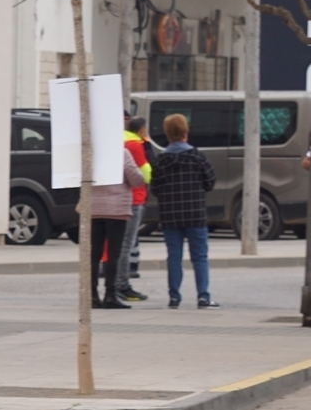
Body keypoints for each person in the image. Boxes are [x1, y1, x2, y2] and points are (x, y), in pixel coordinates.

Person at [149, 113, 217, 308]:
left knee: (174, 257)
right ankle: (203, 296)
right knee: (200, 257)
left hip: (170, 216)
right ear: (185, 132)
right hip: (195, 213)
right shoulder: (197, 156)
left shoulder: (161, 160)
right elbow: (210, 181)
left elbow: (155, 188)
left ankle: (174, 297)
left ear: (167, 134)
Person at [89, 142, 145, 309]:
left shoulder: (90, 152)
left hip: (93, 207)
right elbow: (136, 180)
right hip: (116, 209)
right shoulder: (121, 153)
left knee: (94, 254)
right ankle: (110, 294)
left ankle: (92, 295)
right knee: (114, 254)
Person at [114, 112, 154, 302]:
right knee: (126, 244)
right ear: (141, 129)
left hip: (118, 197)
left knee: (118, 243)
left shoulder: (118, 141)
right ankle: (122, 284)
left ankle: (116, 283)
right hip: (135, 198)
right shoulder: (135, 145)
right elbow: (146, 173)